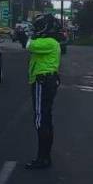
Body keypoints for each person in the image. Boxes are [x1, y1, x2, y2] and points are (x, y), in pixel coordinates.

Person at [25, 14, 62, 169]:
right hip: (46, 81)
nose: (36, 30)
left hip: (42, 82)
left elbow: (29, 46)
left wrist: (29, 35)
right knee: (46, 118)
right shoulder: (51, 42)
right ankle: (45, 157)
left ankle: (42, 158)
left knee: (40, 120)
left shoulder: (49, 42)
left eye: (39, 27)